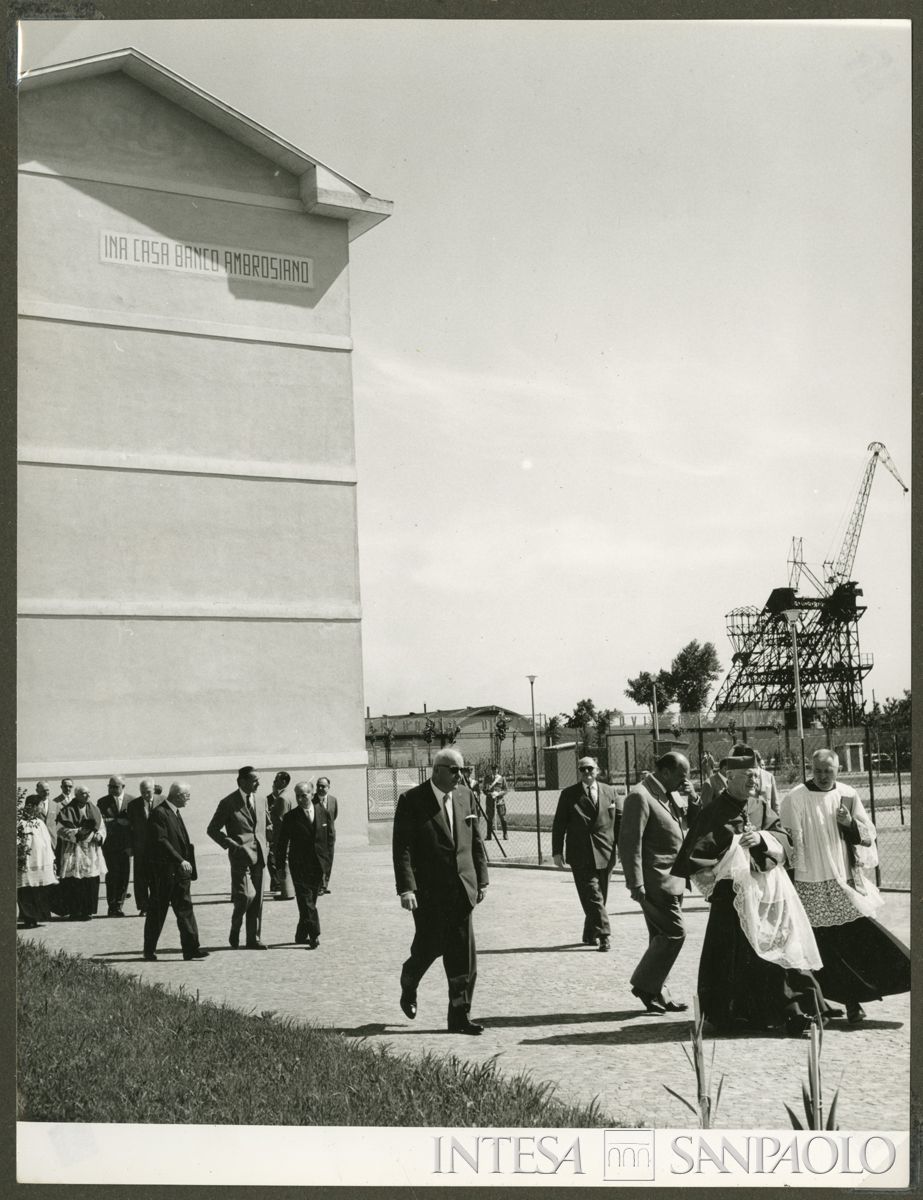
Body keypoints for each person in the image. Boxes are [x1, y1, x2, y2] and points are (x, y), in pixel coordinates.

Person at [671, 751, 836, 1036]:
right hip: (732, 900)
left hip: (767, 896)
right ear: (730, 778)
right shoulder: (712, 812)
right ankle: (733, 1016)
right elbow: (697, 858)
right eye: (747, 776)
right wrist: (731, 852)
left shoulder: (760, 806)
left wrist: (762, 838)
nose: (754, 781)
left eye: (756, 776)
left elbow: (784, 840)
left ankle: (794, 1012)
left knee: (778, 951)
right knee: (733, 960)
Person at [780, 749, 910, 1023]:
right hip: (808, 883)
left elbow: (867, 834)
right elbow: (788, 842)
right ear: (810, 768)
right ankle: (823, 1005)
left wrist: (849, 824)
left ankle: (855, 1001)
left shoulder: (849, 794)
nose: (824, 776)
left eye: (829, 770)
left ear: (838, 769)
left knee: (855, 940)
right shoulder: (794, 798)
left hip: (842, 879)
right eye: (818, 770)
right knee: (819, 947)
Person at [393, 747, 489, 1034]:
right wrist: (406, 888)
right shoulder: (412, 800)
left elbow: (475, 841)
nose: (460, 776)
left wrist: (481, 878)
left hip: (462, 888)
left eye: (462, 770)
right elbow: (402, 849)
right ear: (437, 770)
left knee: (462, 954)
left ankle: (459, 1016)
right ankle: (409, 978)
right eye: (455, 770)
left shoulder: (465, 796)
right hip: (428, 892)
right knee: (429, 946)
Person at [618, 752, 691, 1013]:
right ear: (666, 772)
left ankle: (659, 993)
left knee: (659, 938)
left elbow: (685, 825)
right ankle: (644, 985)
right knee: (675, 932)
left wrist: (690, 798)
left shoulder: (668, 793)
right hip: (655, 880)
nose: (686, 780)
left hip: (674, 878)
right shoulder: (640, 795)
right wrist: (634, 883)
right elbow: (630, 843)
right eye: (682, 775)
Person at [551, 756, 621, 951]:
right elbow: (559, 825)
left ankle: (590, 932)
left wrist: (622, 848)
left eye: (590, 769)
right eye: (583, 770)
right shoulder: (568, 795)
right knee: (592, 895)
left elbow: (620, 823)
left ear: (597, 770)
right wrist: (557, 852)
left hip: (605, 852)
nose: (587, 773)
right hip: (579, 853)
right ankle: (604, 935)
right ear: (579, 772)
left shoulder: (611, 792)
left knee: (601, 896)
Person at [143, 782, 209, 962]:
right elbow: (161, 841)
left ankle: (191, 949)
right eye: (187, 795)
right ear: (178, 795)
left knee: (185, 909)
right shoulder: (159, 813)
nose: (189, 799)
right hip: (165, 873)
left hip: (181, 874)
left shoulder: (174, 812)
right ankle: (149, 950)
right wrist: (180, 860)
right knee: (157, 913)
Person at [207, 765, 269, 950]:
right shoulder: (228, 803)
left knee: (257, 900)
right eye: (254, 780)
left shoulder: (261, 799)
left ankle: (253, 939)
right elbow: (212, 830)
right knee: (246, 895)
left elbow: (267, 824)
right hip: (240, 856)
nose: (258, 783)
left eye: (259, 779)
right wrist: (233, 845)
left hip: (260, 856)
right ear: (242, 781)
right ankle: (235, 927)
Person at [274, 779, 333, 948]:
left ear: (312, 794)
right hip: (299, 866)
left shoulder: (323, 813)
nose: (300, 799)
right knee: (306, 901)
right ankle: (314, 934)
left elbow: (329, 840)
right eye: (297, 796)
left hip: (317, 866)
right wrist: (279, 867)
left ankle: (301, 934)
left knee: (310, 901)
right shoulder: (290, 817)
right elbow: (282, 843)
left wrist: (327, 865)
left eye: (304, 795)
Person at [57, 786, 106, 920]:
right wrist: (79, 833)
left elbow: (101, 827)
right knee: (74, 881)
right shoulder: (67, 810)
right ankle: (74, 911)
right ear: (77, 795)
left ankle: (87, 911)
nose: (87, 796)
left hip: (91, 850)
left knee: (90, 880)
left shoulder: (95, 809)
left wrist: (99, 836)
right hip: (74, 849)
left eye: (88, 793)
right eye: (84, 793)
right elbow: (61, 829)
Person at [17, 788, 57, 927]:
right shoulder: (20, 823)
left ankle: (39, 916)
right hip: (27, 862)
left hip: (42, 861)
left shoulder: (39, 823)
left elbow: (47, 842)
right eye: (40, 805)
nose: (41, 807)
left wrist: (51, 860)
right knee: (25, 890)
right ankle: (28, 918)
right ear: (33, 806)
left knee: (39, 889)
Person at [97, 775, 135, 916]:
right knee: (111, 876)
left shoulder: (132, 801)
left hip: (126, 845)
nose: (112, 789)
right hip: (110, 846)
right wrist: (117, 821)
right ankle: (111, 905)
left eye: (115, 787)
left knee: (124, 876)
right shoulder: (102, 802)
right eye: (110, 786)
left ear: (123, 787)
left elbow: (135, 822)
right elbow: (101, 821)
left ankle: (119, 905)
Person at [127, 778, 158, 917]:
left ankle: (157, 905)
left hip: (158, 847)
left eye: (148, 791)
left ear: (154, 789)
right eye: (143, 792)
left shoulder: (162, 801)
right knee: (140, 878)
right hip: (141, 848)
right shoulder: (133, 805)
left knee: (157, 877)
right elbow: (129, 828)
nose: (146, 794)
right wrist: (130, 846)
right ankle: (143, 906)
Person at [266, 771, 295, 898]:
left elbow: (282, 821)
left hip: (281, 837)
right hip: (287, 836)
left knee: (283, 863)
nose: (274, 782)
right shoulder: (289, 795)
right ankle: (288, 891)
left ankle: (287, 892)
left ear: (283, 782)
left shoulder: (282, 798)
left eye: (276, 780)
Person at [313, 777, 338, 893]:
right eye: (318, 785)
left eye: (323, 786)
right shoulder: (311, 800)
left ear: (329, 787)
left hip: (330, 835)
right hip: (317, 835)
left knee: (329, 859)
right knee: (318, 860)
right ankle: (319, 885)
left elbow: (334, 816)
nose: (320, 788)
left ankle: (325, 884)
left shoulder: (333, 800)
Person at [45, 778, 72, 876]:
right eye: (65, 786)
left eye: (70, 786)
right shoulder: (56, 801)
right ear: (61, 787)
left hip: (73, 835)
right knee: (60, 858)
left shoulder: (75, 800)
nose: (68, 788)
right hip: (61, 835)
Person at [482, 764, 508, 840]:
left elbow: (506, 789)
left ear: (498, 770)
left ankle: (505, 834)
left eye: (496, 769)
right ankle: (489, 835)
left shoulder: (502, 778)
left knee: (502, 816)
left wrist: (498, 794)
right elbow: (484, 790)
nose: (494, 770)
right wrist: (489, 794)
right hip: (490, 800)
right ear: (491, 770)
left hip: (499, 800)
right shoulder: (487, 778)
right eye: (493, 769)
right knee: (489, 817)